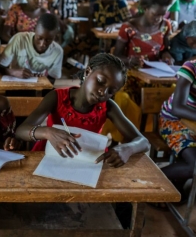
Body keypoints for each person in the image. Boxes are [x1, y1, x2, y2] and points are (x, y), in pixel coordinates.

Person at [15, 53, 149, 167]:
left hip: (88, 160)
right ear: (87, 72)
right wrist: (47, 132)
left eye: (111, 91)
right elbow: (21, 131)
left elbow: (143, 142)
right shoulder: (57, 97)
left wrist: (127, 148)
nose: (103, 92)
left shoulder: (108, 107)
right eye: (101, 81)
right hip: (52, 155)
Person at [106, 0, 174, 142]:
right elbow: (116, 55)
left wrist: (167, 55)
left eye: (162, 14)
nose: (159, 18)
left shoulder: (166, 26)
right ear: (145, 8)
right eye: (155, 14)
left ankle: (162, 135)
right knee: (125, 99)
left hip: (156, 75)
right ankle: (126, 139)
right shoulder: (129, 27)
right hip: (131, 74)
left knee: (172, 94)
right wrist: (129, 61)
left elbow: (165, 49)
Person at [159, 60, 196, 199]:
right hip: (173, 121)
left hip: (193, 124)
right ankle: (148, 182)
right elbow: (178, 107)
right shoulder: (191, 67)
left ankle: (176, 186)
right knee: (194, 166)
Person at [0, 13, 63, 82]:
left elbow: (52, 80)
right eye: (39, 38)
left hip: (38, 88)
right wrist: (12, 72)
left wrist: (41, 82)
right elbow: (0, 67)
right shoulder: (19, 40)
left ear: (54, 37)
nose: (42, 44)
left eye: (48, 40)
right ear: (34, 30)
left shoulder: (57, 52)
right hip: (15, 84)